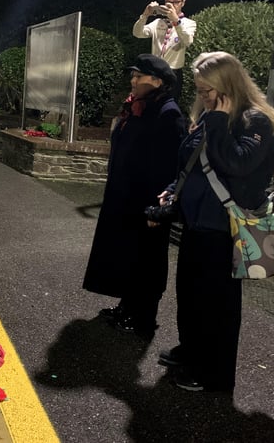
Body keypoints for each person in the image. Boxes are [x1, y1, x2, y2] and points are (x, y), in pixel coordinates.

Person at [156, 51, 274, 392]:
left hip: (225, 228)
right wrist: (173, 191)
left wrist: (214, 122)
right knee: (190, 294)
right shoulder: (211, 115)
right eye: (199, 90)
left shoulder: (255, 121)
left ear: (229, 85)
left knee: (217, 305)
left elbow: (238, 164)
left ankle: (213, 371)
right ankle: (191, 351)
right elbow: (192, 163)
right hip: (198, 223)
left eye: (208, 90)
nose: (203, 96)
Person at [82, 54, 186, 339]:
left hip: (147, 204)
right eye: (133, 76)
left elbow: (168, 169)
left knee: (147, 260)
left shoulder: (168, 113)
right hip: (126, 199)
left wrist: (157, 208)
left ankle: (143, 317)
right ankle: (126, 306)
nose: (133, 81)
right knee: (128, 255)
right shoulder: (137, 108)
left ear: (157, 81)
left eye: (139, 76)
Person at [132, 0, 196, 102]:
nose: (172, 5)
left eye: (176, 2)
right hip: (154, 72)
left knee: (168, 107)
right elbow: (137, 33)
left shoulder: (189, 23)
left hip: (173, 73)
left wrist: (176, 21)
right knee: (149, 106)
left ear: (183, 3)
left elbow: (188, 41)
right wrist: (145, 15)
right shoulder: (158, 22)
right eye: (169, 2)